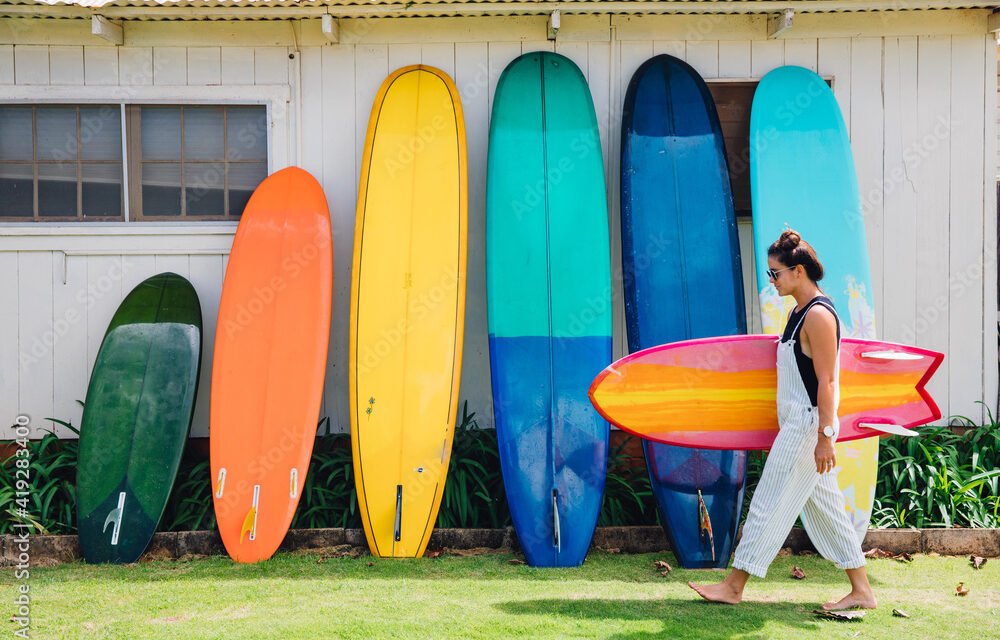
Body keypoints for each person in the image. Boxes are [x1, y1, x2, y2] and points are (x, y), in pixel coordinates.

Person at [688, 229, 876, 611]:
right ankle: (862, 590)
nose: (771, 280)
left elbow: (828, 380)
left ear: (799, 271)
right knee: (826, 507)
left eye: (775, 273)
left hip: (808, 427)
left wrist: (825, 435)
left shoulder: (820, 316)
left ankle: (734, 585)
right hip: (801, 423)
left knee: (768, 502)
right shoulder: (796, 312)